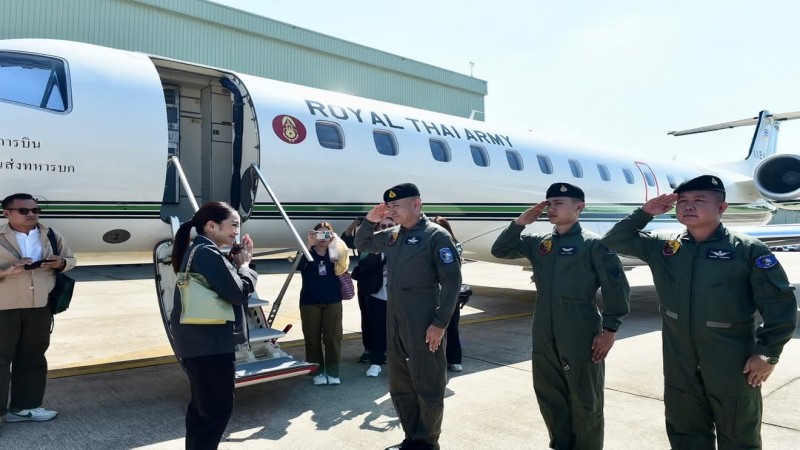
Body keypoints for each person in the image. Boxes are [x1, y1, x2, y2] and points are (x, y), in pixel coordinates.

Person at [601, 175, 797, 449]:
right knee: (685, 433)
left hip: (732, 363)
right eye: (683, 201)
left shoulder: (747, 250)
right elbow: (613, 240)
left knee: (738, 435)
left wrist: (768, 353)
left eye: (699, 200)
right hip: (679, 361)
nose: (688, 206)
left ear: (721, 208)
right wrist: (644, 213)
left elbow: (780, 306)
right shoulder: (664, 247)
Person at [491, 183, 630, 450]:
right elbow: (501, 250)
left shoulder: (595, 245)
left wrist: (610, 331)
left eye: (558, 203)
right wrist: (521, 222)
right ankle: (561, 444)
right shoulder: (539, 242)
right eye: (549, 203)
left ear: (579, 207)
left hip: (580, 325)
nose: (551, 208)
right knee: (548, 392)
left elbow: (617, 289)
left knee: (585, 398)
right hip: (543, 325)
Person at [355, 183, 462, 450]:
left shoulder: (436, 236)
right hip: (396, 315)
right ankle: (412, 436)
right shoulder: (393, 235)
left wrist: (440, 323)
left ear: (417, 204)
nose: (392, 211)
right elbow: (362, 243)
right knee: (400, 380)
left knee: (428, 381)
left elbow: (452, 281)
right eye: (389, 206)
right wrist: (370, 220)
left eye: (396, 206)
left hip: (423, 316)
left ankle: (427, 441)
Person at [169, 202, 257, 450]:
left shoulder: (201, 250)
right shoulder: (206, 252)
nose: (236, 232)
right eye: (233, 225)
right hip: (209, 346)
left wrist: (236, 263)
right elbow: (238, 294)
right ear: (211, 225)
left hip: (200, 344)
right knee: (217, 411)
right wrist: (245, 267)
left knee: (202, 411)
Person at [0, 193, 75, 430]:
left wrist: (59, 263)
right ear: (6, 213)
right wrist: (6, 272)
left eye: (35, 210)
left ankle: (24, 407)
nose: (31, 214)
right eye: (24, 211)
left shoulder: (51, 234)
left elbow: (71, 260)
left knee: (33, 357)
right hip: (4, 308)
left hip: (39, 306)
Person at [299, 222, 349, 385]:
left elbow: (346, 259)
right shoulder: (308, 253)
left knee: (333, 337)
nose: (323, 238)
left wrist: (337, 242)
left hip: (332, 300)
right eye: (319, 234)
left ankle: (333, 371)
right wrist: (308, 244)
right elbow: (299, 265)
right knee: (312, 337)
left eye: (327, 234)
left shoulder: (336, 254)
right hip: (310, 301)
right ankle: (317, 371)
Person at [352, 217, 395, 377]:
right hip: (377, 294)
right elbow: (364, 266)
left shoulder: (402, 245)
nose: (386, 228)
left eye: (390, 225)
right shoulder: (371, 247)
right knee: (377, 329)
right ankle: (376, 362)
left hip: (399, 296)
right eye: (383, 226)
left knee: (400, 330)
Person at [431, 216, 465, 373]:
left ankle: (454, 358)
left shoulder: (453, 245)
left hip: (449, 292)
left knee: (451, 326)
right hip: (432, 292)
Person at [341, 217, 371, 363]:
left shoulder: (388, 239)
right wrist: (352, 226)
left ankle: (384, 349)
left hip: (384, 286)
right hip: (366, 285)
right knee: (367, 318)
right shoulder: (363, 241)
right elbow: (344, 241)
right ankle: (369, 349)